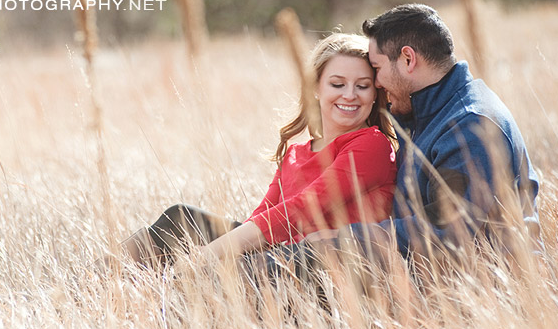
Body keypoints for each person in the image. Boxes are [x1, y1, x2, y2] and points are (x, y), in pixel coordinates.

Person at [111, 33, 398, 269]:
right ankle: (94, 286)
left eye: (362, 86)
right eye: (337, 84)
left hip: (328, 265)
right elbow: (261, 218)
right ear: (315, 88)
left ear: (375, 94)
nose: (349, 95)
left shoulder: (371, 144)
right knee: (182, 219)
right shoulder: (295, 153)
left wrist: (204, 257)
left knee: (228, 264)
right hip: (281, 254)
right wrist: (214, 252)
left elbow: (302, 209)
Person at [306, 4, 540, 263]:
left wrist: (341, 240)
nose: (378, 83)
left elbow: (447, 231)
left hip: (479, 288)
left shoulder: (469, 126)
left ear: (408, 59)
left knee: (276, 268)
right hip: (416, 272)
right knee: (268, 262)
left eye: (378, 68)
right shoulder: (427, 115)